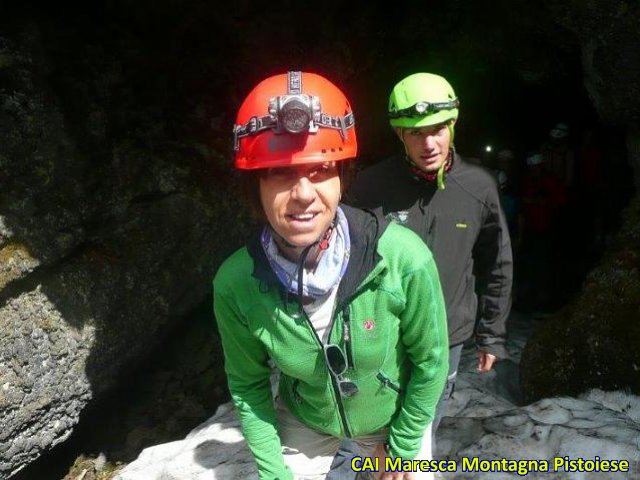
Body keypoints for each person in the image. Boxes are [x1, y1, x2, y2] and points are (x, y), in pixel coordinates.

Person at [214, 71, 449, 480]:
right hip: (307, 417)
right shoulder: (237, 283)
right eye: (280, 173)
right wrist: (274, 474)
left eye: (321, 169)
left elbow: (431, 361)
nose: (304, 193)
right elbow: (249, 386)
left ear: (343, 179)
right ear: (255, 187)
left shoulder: (400, 257)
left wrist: (404, 446)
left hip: (392, 417)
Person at [346, 72, 513, 443]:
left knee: (418, 433)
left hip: (445, 337)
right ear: (399, 134)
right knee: (369, 434)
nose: (429, 143)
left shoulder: (478, 186)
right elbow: (345, 259)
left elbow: (497, 264)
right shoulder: (370, 186)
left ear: (453, 126)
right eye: (416, 132)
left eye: (438, 129)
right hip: (381, 332)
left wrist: (492, 336)